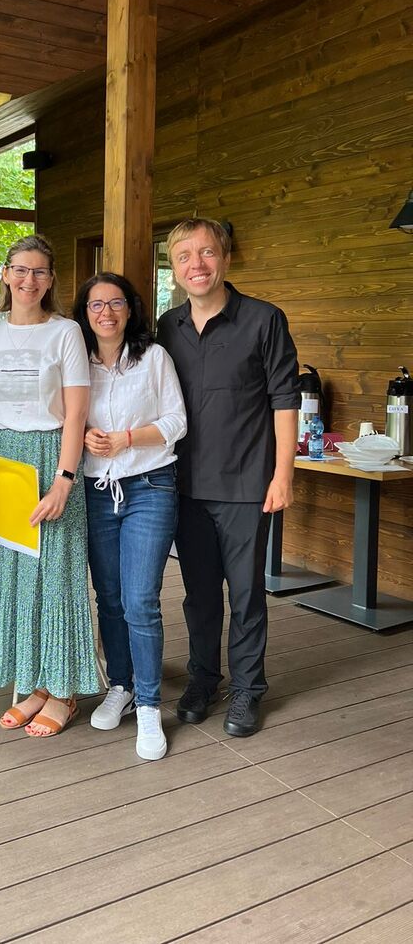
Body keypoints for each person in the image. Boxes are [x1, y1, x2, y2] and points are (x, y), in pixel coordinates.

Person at [156, 218, 300, 737]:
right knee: (198, 595)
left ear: (226, 258)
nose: (197, 265)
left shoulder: (264, 319)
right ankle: (203, 679)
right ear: (174, 269)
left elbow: (285, 401)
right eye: (184, 256)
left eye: (207, 253)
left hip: (246, 485)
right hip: (184, 486)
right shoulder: (166, 327)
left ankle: (247, 688)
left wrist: (283, 475)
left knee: (246, 594)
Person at [0, 234, 98, 737]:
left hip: (52, 456)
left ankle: (63, 691)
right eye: (20, 270)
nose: (29, 280)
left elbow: (76, 413)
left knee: (56, 574)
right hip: (3, 460)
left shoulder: (66, 332)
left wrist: (65, 480)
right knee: (14, 575)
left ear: (50, 280)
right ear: (5, 275)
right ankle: (34, 684)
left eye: (39, 271)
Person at [73, 273, 186, 760]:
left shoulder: (154, 357)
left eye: (115, 303)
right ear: (85, 313)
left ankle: (149, 705)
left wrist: (126, 439)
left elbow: (177, 421)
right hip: (96, 491)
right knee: (110, 597)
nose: (106, 312)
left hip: (149, 486)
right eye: (96, 304)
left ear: (130, 309)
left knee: (140, 599)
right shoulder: (76, 361)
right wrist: (82, 435)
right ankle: (120, 685)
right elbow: (62, 415)